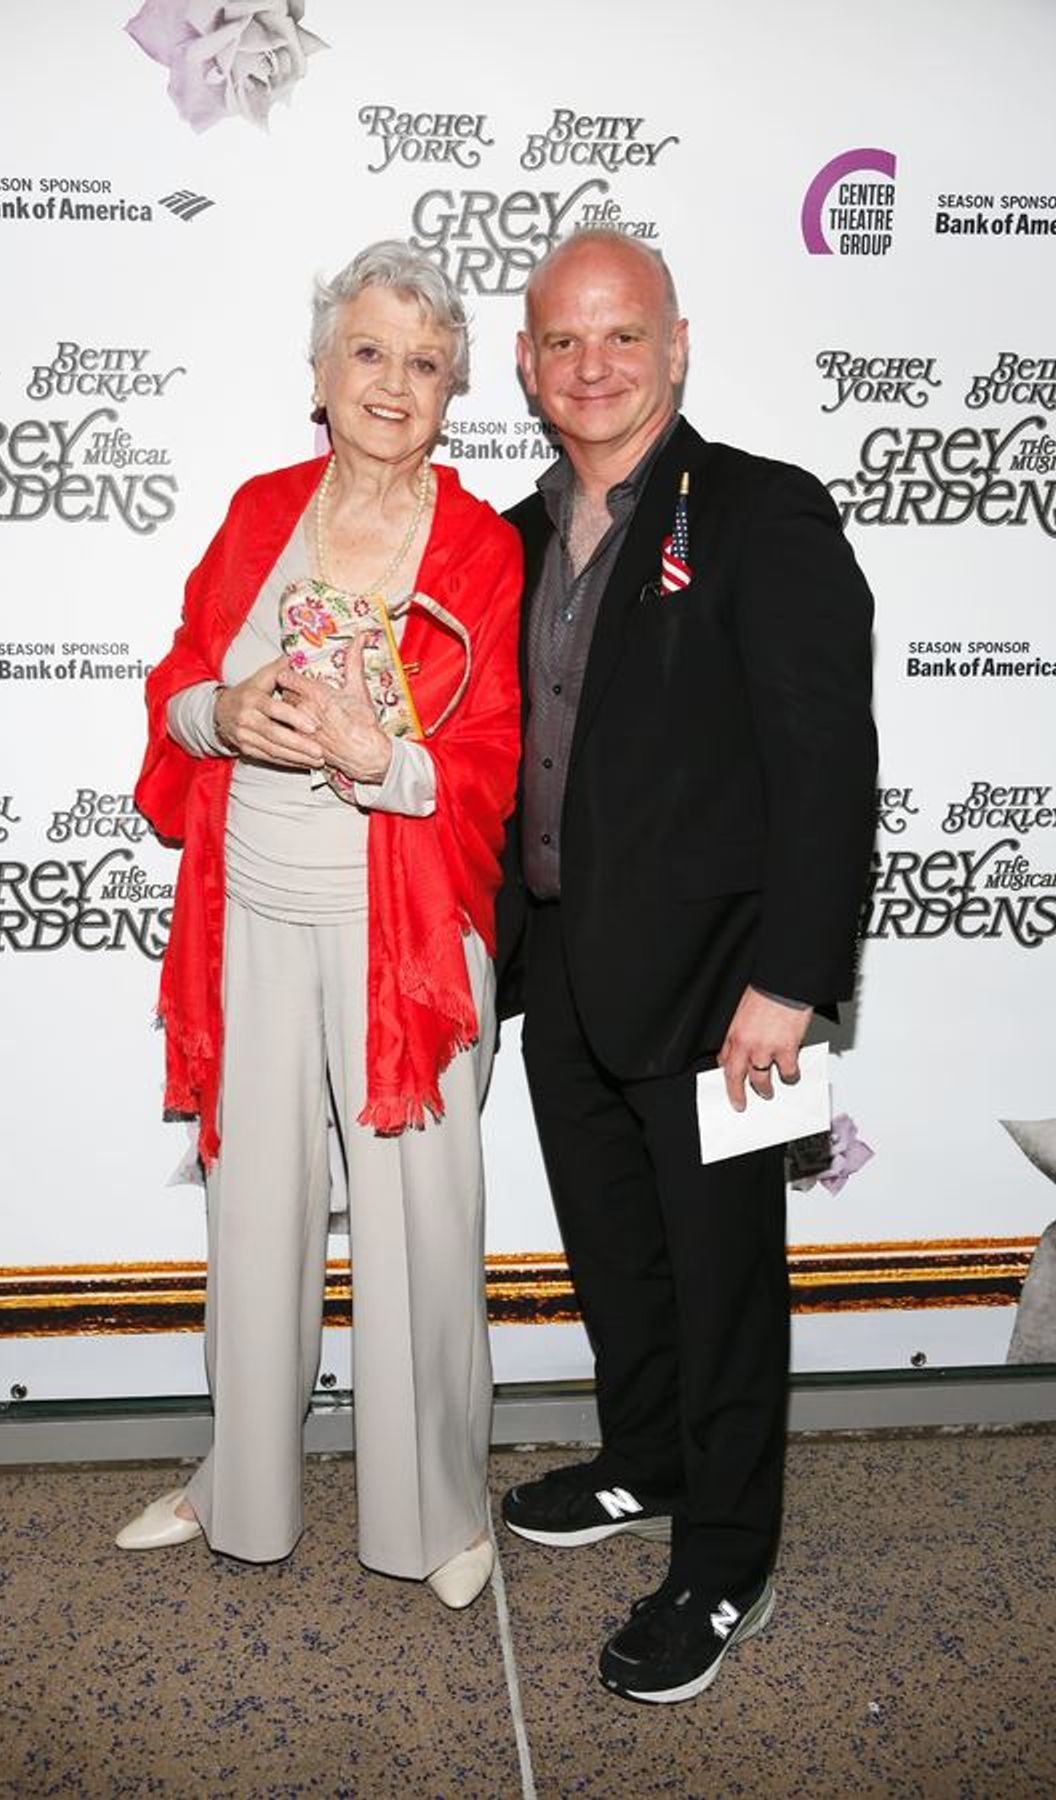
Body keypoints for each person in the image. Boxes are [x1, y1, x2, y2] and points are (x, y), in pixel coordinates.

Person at [494, 230, 877, 1699]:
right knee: (617, 1262)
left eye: (623, 337)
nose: (593, 367)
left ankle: (727, 1561)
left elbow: (828, 765)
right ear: (528, 364)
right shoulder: (517, 536)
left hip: (733, 997)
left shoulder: (765, 512)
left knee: (727, 1285)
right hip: (567, 985)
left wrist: (792, 983)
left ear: (677, 343)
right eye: (563, 342)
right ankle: (645, 1462)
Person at [117, 241, 521, 1611]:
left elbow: (490, 765)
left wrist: (375, 751)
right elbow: (181, 677)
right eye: (368, 352)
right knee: (256, 1219)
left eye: (422, 361)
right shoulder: (258, 512)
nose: (392, 384)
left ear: (454, 387)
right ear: (320, 372)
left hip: (399, 931)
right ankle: (244, 1484)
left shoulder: (478, 544)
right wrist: (215, 715)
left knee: (420, 1231)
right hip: (251, 920)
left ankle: (445, 1516)